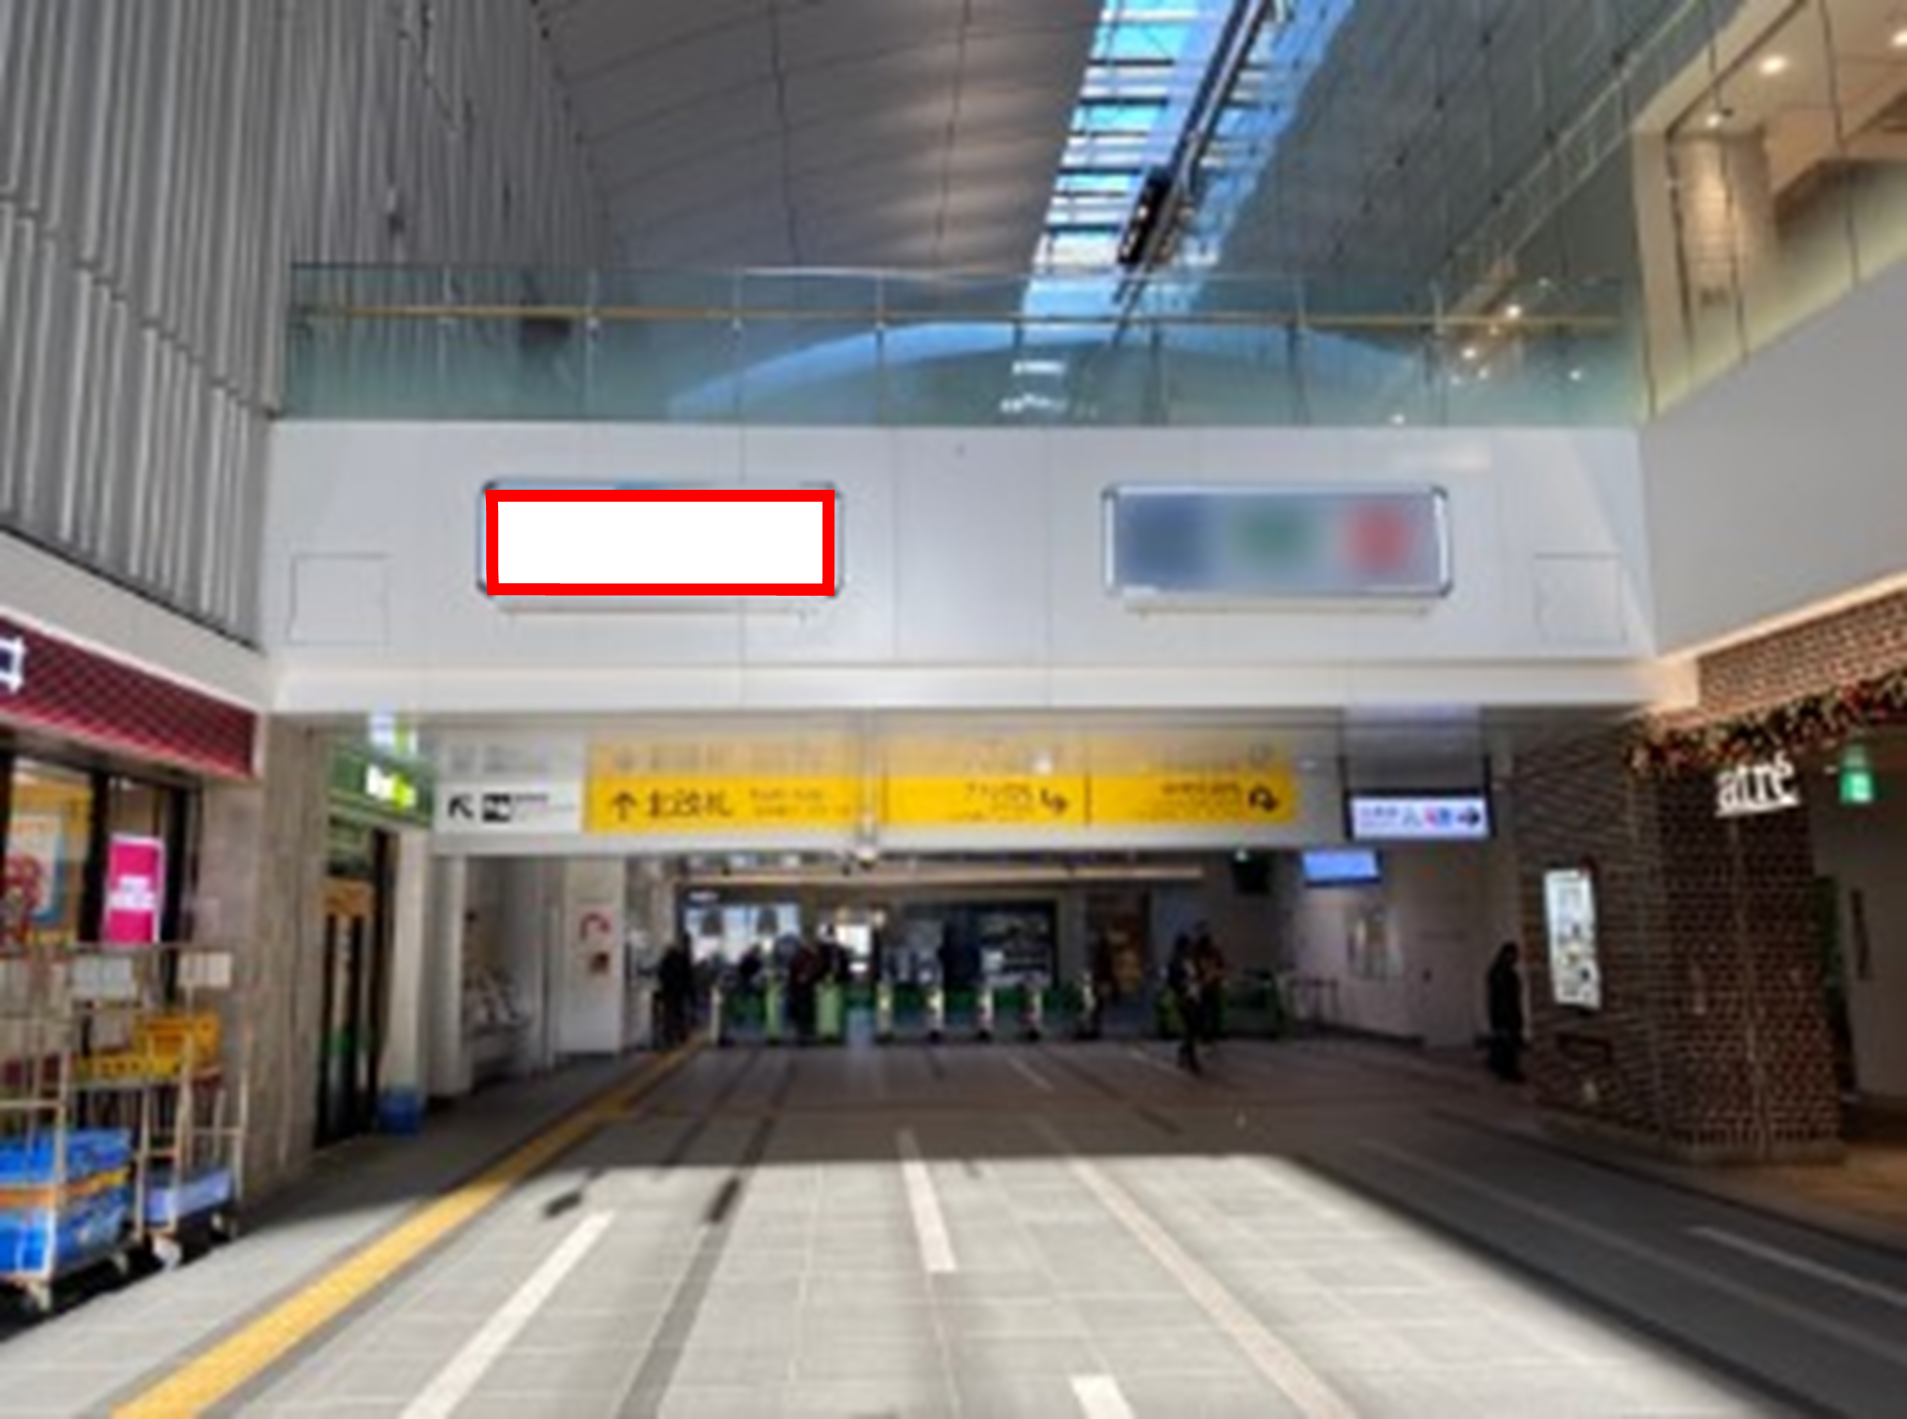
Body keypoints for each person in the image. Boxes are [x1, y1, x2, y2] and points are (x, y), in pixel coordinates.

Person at [1486, 941, 1526, 1082]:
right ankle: (1508, 1071)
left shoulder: (1497, 971)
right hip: (1506, 1015)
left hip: (1500, 1014)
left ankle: (1501, 1067)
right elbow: (1506, 997)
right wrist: (1511, 1017)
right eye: (1515, 955)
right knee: (1507, 1044)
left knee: (1502, 1042)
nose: (1517, 958)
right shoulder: (1504, 973)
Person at [1166, 933, 1202, 1074]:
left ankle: (1183, 1052)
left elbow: (1197, 975)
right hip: (1184, 997)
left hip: (1194, 996)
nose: (1190, 948)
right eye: (1188, 945)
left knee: (1193, 1026)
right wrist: (1183, 985)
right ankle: (1191, 1058)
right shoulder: (1175, 961)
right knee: (1191, 1025)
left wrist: (1197, 982)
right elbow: (1172, 980)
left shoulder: (1191, 961)